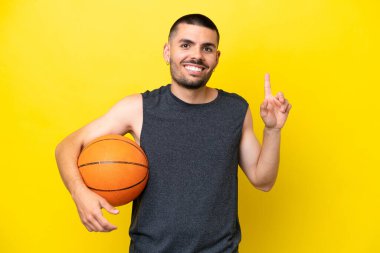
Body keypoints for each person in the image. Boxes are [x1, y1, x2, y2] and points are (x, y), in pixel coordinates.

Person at [55, 13, 291, 253]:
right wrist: (80, 193)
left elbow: (263, 181)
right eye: (186, 45)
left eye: (207, 48)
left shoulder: (236, 110)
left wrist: (272, 130)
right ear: (168, 52)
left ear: (217, 58)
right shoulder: (137, 109)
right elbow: (67, 146)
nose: (196, 56)